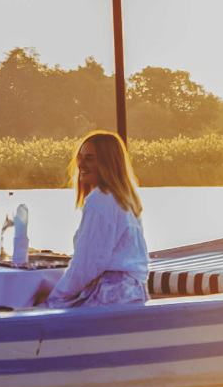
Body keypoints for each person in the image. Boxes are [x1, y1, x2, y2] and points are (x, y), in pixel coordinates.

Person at [31, 130, 150, 308]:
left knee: (32, 305)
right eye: (80, 157)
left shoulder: (101, 201)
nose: (81, 164)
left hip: (110, 298)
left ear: (107, 164)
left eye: (89, 158)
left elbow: (87, 265)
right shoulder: (124, 200)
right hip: (133, 294)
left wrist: (54, 299)